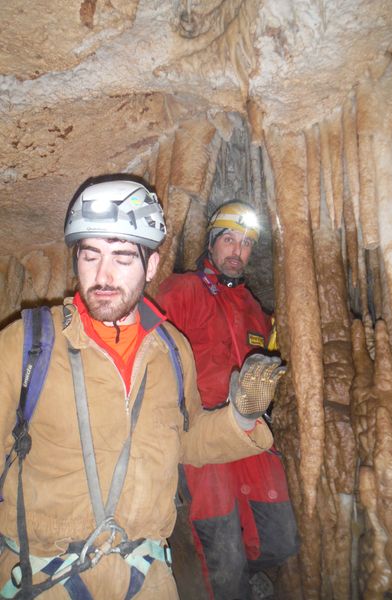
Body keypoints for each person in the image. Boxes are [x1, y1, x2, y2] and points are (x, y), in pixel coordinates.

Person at [0, 179, 286, 600]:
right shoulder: (26, 345)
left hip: (147, 577)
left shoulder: (172, 351)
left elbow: (186, 440)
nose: (103, 275)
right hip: (43, 577)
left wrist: (241, 417)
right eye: (90, 255)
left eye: (122, 257)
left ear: (151, 267)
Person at [156, 201, 299, 600]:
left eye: (246, 243)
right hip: (203, 431)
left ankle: (242, 580)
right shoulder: (183, 290)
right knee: (220, 546)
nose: (238, 250)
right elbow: (150, 348)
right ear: (212, 243)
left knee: (280, 539)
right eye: (229, 240)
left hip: (249, 427)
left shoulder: (253, 307)